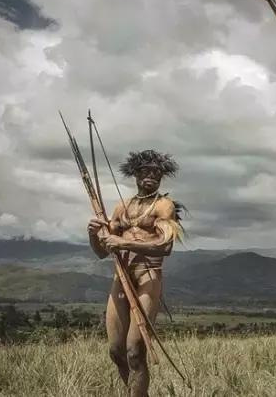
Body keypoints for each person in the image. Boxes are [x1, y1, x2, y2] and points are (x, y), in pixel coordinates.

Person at [87, 150, 183, 397]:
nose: (151, 176)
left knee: (135, 351)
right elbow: (102, 252)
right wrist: (93, 234)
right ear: (135, 174)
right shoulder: (122, 207)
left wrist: (124, 243)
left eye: (156, 172)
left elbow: (165, 246)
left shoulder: (164, 205)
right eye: (145, 171)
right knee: (116, 351)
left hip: (147, 277)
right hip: (121, 277)